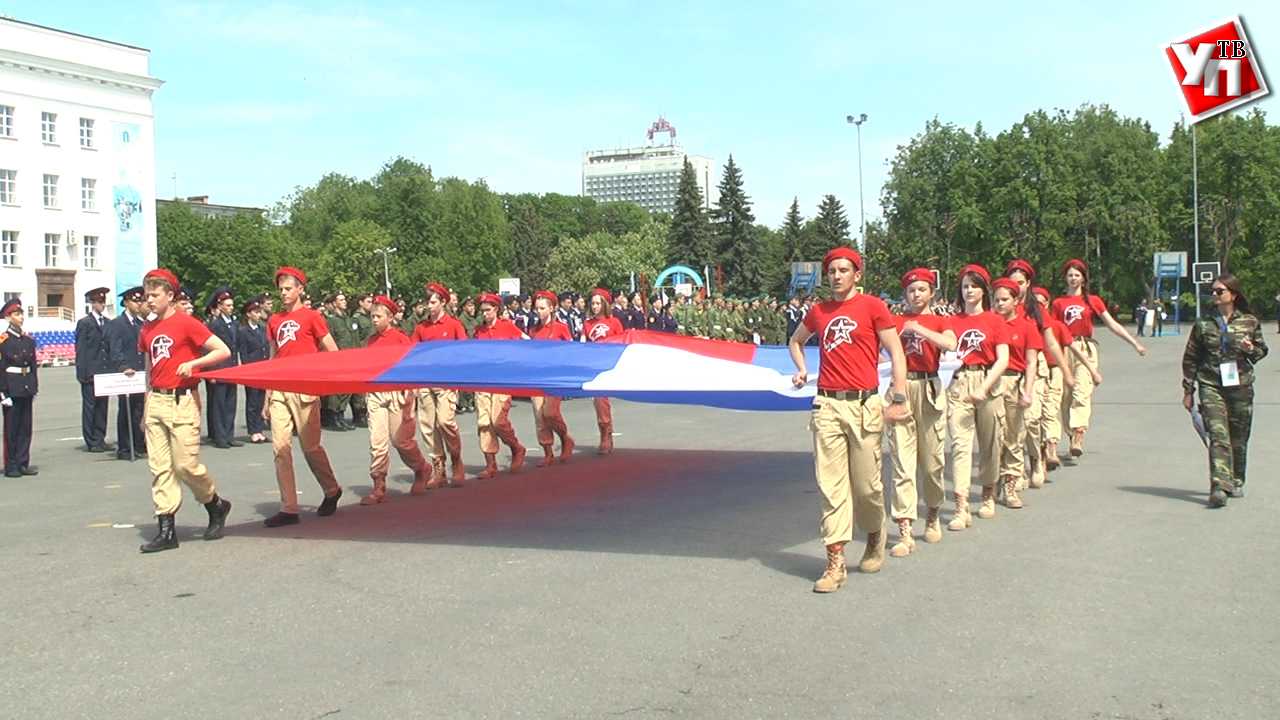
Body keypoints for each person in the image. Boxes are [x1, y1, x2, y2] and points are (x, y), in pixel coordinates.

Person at [789, 247, 908, 592]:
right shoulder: (819, 311)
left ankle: (874, 534)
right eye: (832, 271)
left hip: (865, 406)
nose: (837, 276)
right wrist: (802, 369)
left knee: (867, 487)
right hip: (827, 406)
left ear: (857, 275)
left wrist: (897, 397)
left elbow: (896, 353)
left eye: (844, 270)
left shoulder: (873, 307)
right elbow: (797, 341)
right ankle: (835, 561)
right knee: (831, 486)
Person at [135, 269, 232, 553]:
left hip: (182, 400)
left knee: (185, 466)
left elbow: (221, 350)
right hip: (157, 401)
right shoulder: (147, 329)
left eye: (155, 295)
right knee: (160, 468)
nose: (149, 300)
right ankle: (166, 529)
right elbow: (148, 369)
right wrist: (145, 406)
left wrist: (194, 365)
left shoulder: (187, 323)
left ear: (169, 296)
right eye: (147, 295)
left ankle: (215, 504)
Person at [263, 267, 344, 527]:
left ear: (300, 290)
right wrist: (267, 394)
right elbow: (272, 357)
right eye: (281, 290)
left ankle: (331, 489)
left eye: (288, 289)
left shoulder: (312, 317)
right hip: (279, 389)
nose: (283, 294)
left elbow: (332, 349)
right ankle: (289, 507)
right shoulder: (274, 320)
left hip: (305, 389)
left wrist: (329, 377)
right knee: (281, 448)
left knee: (310, 447)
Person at [1182, 274, 1269, 507]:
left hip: (1240, 385)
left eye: (1219, 291)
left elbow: (1261, 351)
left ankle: (1236, 479)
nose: (1215, 295)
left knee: (1238, 437)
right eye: (1213, 291)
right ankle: (1220, 485)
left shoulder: (1249, 321)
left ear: (1233, 294)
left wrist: (1250, 349)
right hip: (1211, 384)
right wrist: (1189, 390)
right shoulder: (1203, 323)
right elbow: (1191, 357)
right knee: (1219, 435)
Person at [886, 268, 955, 557]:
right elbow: (880, 348)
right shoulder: (894, 321)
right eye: (912, 290)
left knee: (932, 462)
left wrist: (919, 329)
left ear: (932, 293)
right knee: (902, 462)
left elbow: (950, 343)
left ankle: (932, 513)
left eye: (922, 289)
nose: (917, 295)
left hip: (929, 389)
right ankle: (904, 529)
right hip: (902, 389)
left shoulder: (940, 320)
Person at [1050, 258, 1146, 458]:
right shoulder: (1058, 303)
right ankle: (1071, 436)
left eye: (1077, 275)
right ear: (1065, 278)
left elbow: (1112, 323)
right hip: (1065, 349)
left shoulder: (1092, 300)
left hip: (1085, 348)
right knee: (1065, 398)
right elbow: (1052, 331)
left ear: (1083, 279)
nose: (1073, 278)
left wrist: (1134, 343)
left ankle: (1079, 434)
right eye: (1070, 275)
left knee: (1081, 392)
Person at [946, 265, 1010, 530]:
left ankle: (987, 492)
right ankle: (961, 507)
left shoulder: (995, 321)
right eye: (964, 286)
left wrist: (984, 386)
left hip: (988, 382)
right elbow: (946, 348)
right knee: (960, 446)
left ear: (984, 289)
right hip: (960, 383)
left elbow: (1003, 358)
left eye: (974, 285)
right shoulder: (952, 321)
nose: (969, 290)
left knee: (989, 443)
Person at [361, 295, 430, 504]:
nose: (374, 320)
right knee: (377, 442)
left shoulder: (400, 338)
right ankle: (379, 484)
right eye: (372, 316)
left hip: (398, 393)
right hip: (376, 393)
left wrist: (412, 394)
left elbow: (411, 366)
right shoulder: (371, 340)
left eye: (378, 316)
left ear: (390, 317)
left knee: (401, 441)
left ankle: (421, 468)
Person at [412, 282, 468, 489]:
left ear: (443, 303)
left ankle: (456, 459)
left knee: (445, 422)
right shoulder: (421, 327)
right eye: (427, 302)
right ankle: (439, 467)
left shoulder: (454, 325)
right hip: (426, 380)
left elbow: (463, 351)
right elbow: (415, 355)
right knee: (428, 426)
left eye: (433, 302)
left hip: (446, 380)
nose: (429, 306)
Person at [991, 277, 1042, 509]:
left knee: (1014, 436)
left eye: (1004, 300)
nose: (1000, 304)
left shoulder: (1027, 326)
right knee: (993, 437)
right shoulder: (989, 324)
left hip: (1014, 382)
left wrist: (1028, 390)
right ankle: (991, 484)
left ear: (1014, 301)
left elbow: (1032, 362)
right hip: (991, 382)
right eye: (996, 300)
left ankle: (1010, 486)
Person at [471, 292, 528, 478]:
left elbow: (526, 343)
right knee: (484, 422)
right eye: (482, 311)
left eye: (488, 310)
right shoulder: (478, 331)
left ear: (496, 309)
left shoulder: (507, 327)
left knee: (498, 421)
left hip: (503, 380)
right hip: (483, 380)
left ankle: (516, 447)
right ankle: (490, 463)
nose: (485, 314)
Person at [528, 290, 576, 465]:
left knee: (551, 413)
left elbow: (571, 350)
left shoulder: (561, 327)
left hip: (556, 377)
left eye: (542, 308)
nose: (539, 311)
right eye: (537, 308)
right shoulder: (533, 330)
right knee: (539, 415)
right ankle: (547, 451)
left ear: (551, 309)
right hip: (538, 377)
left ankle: (565, 437)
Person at [106, 287, 148, 460]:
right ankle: (124, 447)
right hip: (127, 374)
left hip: (140, 373)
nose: (139, 304)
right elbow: (115, 349)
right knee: (126, 410)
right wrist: (123, 367)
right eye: (135, 301)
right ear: (126, 303)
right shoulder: (117, 323)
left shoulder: (140, 324)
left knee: (139, 409)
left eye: (140, 301)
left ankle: (138, 443)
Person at [1, 299, 39, 478]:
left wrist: (34, 387)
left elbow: (33, 365)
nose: (21, 317)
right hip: (11, 387)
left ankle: (23, 461)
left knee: (25, 427)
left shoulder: (28, 340)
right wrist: (2, 393)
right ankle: (11, 465)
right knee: (12, 428)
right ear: (8, 317)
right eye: (16, 314)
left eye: (21, 314)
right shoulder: (3, 341)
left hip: (26, 386)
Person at [584, 288, 624, 454]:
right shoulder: (587, 324)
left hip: (611, 363)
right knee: (599, 400)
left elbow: (622, 342)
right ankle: (605, 433)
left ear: (605, 304)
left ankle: (607, 430)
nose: (595, 306)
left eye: (598, 303)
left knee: (603, 399)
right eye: (593, 303)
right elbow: (585, 344)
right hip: (595, 366)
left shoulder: (614, 322)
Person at [75, 286, 113, 453]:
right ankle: (91, 440)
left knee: (102, 406)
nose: (101, 305)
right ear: (92, 303)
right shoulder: (85, 323)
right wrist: (82, 373)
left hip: (103, 371)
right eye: (98, 302)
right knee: (90, 406)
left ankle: (100, 436)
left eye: (103, 302)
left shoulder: (108, 322)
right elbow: (81, 349)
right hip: (90, 371)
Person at [204, 286, 241, 449]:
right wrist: (210, 371)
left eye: (232, 306)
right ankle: (219, 437)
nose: (230, 308)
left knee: (230, 403)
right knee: (218, 404)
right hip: (218, 368)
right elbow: (208, 348)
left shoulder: (234, 323)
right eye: (227, 306)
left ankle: (229, 435)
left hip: (231, 367)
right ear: (219, 307)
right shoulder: (214, 325)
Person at [237, 296, 270, 444]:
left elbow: (266, 348)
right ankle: (253, 431)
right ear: (248, 314)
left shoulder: (263, 330)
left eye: (259, 312)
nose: (258, 314)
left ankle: (259, 429)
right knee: (252, 401)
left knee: (260, 400)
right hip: (252, 369)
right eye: (255, 312)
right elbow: (243, 353)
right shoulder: (244, 332)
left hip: (263, 368)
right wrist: (247, 369)